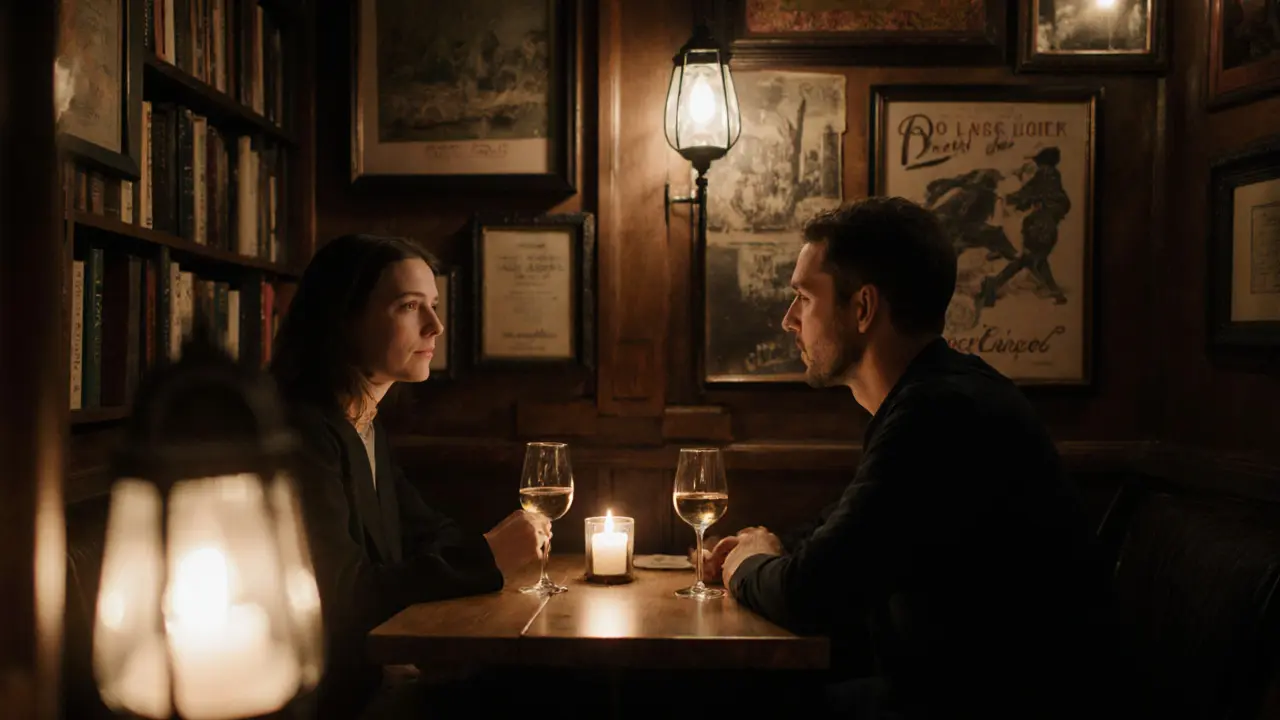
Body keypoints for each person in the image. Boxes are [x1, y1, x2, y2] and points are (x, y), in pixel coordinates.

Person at [700, 197, 1117, 719]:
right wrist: (768, 545)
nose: (789, 320)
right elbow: (846, 534)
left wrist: (743, 564)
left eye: (804, 298)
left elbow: (812, 594)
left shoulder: (938, 414)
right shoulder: (938, 394)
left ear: (863, 308)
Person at [269, 234, 549, 719]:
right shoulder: (301, 434)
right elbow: (344, 597)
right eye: (409, 306)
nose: (435, 326)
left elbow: (426, 532)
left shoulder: (363, 424)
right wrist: (488, 554)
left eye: (434, 306)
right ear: (345, 318)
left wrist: (494, 545)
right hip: (322, 699)